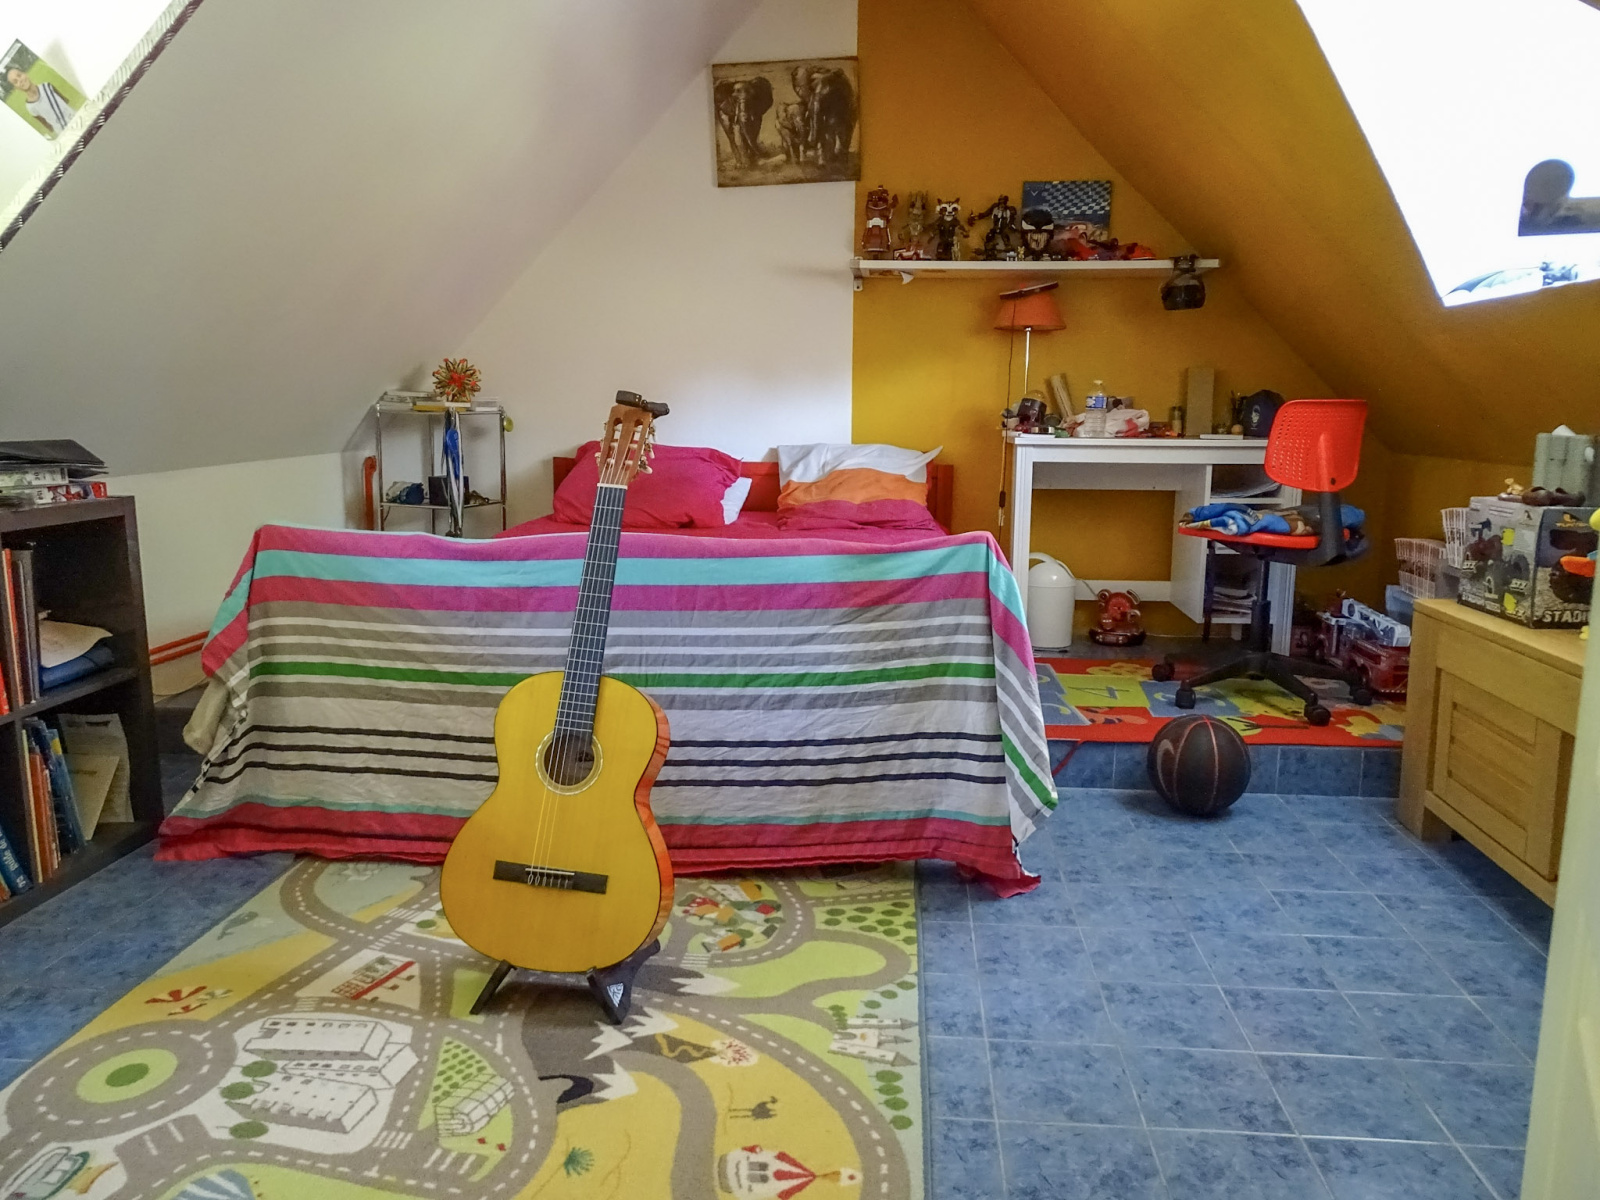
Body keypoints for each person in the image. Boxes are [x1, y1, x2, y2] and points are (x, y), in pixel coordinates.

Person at [6, 65, 75, 136]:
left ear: (25, 74)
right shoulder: (30, 107)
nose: (20, 80)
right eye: (16, 82)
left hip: (74, 119)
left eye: (19, 75)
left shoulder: (47, 86)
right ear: (16, 88)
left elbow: (64, 100)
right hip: (64, 133)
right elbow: (46, 125)